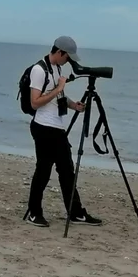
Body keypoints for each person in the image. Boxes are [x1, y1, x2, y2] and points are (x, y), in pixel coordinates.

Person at [25, 35, 103, 228]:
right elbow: (35, 102)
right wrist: (59, 86)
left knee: (67, 171)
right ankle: (34, 213)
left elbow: (57, 96)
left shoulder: (57, 68)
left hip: (56, 128)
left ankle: (76, 213)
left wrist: (72, 105)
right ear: (59, 52)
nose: (68, 61)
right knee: (43, 171)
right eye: (67, 57)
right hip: (43, 127)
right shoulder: (38, 70)